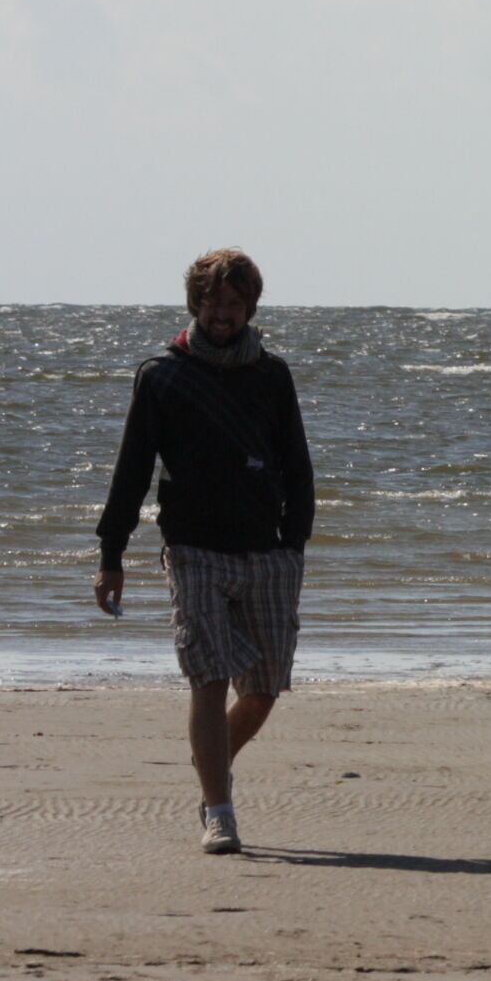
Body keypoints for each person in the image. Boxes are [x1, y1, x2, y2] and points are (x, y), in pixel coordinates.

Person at [93, 249, 316, 855]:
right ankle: (220, 811)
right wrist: (112, 555)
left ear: (250, 308)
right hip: (193, 551)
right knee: (210, 675)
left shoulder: (272, 375)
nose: (223, 315)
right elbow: (131, 473)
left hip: (266, 552)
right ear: (196, 304)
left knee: (264, 688)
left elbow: (297, 467)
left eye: (234, 305)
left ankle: (209, 765)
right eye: (213, 303)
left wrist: (294, 544)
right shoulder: (162, 375)